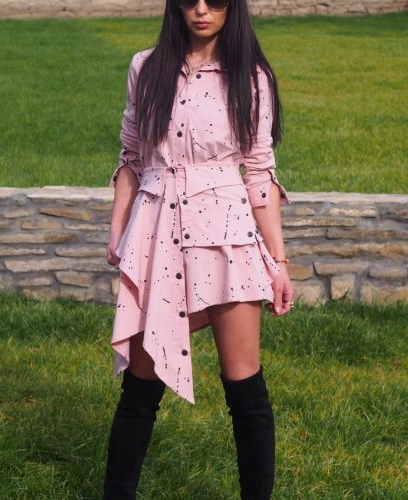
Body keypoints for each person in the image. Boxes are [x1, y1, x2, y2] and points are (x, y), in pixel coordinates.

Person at [104, 0, 295, 498]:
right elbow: (131, 157)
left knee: (245, 388)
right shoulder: (145, 68)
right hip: (157, 232)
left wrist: (279, 262)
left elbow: (259, 172)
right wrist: (118, 229)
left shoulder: (251, 78)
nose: (202, 9)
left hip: (228, 236)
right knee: (139, 389)